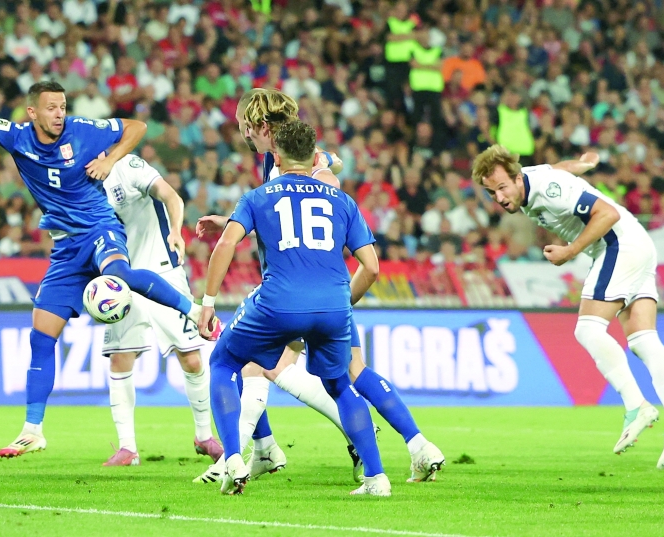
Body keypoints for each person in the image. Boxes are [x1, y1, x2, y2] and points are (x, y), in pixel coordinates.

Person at [0, 81, 220, 458]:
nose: (59, 114)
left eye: (62, 106)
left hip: (99, 229)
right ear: (32, 112)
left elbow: (136, 127)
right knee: (41, 336)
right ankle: (33, 431)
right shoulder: (17, 137)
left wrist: (111, 160)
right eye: (51, 108)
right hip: (66, 248)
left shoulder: (83, 130)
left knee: (121, 276)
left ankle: (193, 311)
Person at [195, 89, 444, 485]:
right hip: (328, 290)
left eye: (246, 127)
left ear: (262, 126)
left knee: (257, 363)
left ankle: (237, 455)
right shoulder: (287, 160)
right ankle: (416, 446)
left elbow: (321, 185)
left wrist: (325, 165)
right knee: (344, 373)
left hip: (298, 285)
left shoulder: (297, 166)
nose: (244, 135)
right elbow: (299, 212)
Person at [472, 144, 664, 470]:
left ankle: (637, 405)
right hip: (638, 243)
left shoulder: (550, 190)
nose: (500, 197)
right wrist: (582, 164)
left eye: (503, 187)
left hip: (617, 245)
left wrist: (570, 251)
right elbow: (558, 168)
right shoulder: (532, 177)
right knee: (642, 339)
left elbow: (608, 213)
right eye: (492, 192)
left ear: (517, 178)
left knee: (588, 329)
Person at [196, 120, 389, 496]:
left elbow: (227, 244)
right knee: (340, 385)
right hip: (332, 304)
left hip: (278, 303)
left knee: (223, 362)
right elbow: (371, 267)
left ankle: (232, 459)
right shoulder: (341, 200)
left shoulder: (258, 196)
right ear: (314, 157)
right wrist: (342, 304)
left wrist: (208, 302)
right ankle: (376, 477)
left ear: (279, 158)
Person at [99, 154, 225, 466]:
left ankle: (204, 435)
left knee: (191, 357)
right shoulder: (81, 183)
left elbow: (171, 196)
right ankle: (127, 447)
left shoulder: (127, 166)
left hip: (163, 272)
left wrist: (176, 230)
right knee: (120, 358)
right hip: (121, 282)